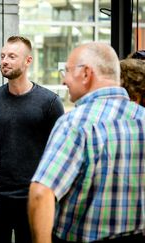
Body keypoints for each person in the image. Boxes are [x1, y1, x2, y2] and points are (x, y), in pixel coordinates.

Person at [29, 42, 145, 242]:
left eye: (66, 71)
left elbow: (40, 194)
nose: (64, 80)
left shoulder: (75, 123)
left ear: (86, 74)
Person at [0, 35, 64, 243]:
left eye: (11, 56)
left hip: (33, 198)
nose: (5, 61)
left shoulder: (50, 102)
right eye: (3, 56)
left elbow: (58, 154)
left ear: (28, 61)